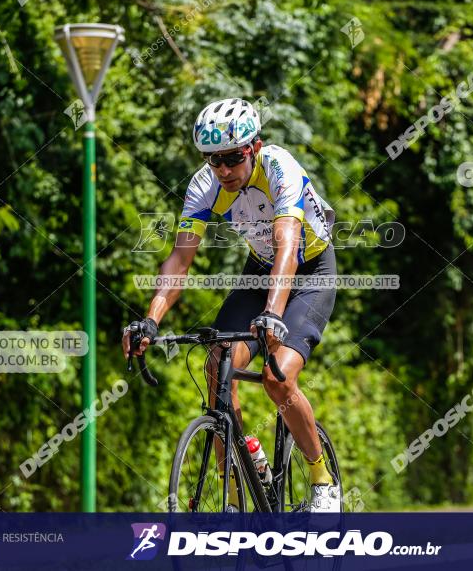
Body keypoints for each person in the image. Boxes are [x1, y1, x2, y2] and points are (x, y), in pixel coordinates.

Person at [122, 98, 339, 512]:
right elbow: (180, 259)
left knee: (278, 379)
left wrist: (274, 314)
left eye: (231, 158)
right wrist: (151, 320)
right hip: (259, 271)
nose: (222, 170)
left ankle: (320, 476)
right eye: (212, 160)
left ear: (253, 147)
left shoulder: (279, 167)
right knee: (218, 364)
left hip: (310, 272)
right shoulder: (205, 185)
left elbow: (288, 245)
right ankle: (237, 491)